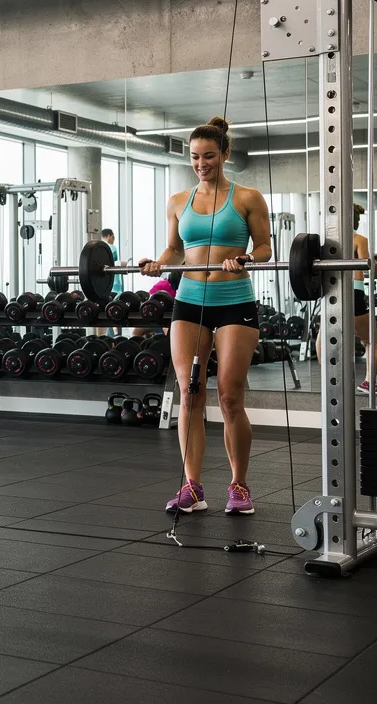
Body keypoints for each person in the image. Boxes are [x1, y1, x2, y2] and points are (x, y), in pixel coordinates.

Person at [139, 117, 271, 516]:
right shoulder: (178, 201)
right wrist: (156, 264)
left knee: (230, 396)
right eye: (195, 157)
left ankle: (239, 485)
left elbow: (265, 247)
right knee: (190, 393)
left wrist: (246, 257)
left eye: (209, 156)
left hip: (234, 300)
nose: (201, 163)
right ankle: (192, 487)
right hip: (190, 300)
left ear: (225, 154)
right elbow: (173, 251)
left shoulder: (247, 197)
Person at [315, 204, 377, 392]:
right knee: (370, 341)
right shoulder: (359, 240)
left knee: (324, 334)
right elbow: (370, 271)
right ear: (355, 221)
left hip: (331, 292)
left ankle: (327, 378)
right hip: (354, 293)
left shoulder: (326, 244)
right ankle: (369, 382)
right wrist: (376, 261)